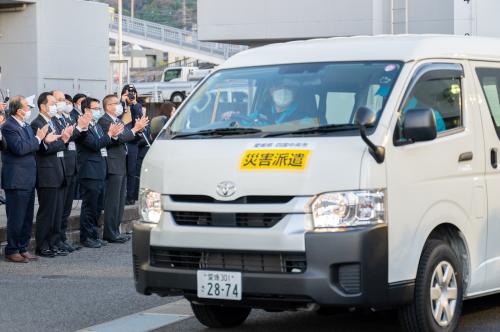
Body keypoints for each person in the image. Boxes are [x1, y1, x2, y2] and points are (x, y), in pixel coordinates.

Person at [1, 96, 57, 262]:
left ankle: (22, 247)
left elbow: (32, 146)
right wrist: (39, 139)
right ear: (18, 110)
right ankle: (12, 249)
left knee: (26, 216)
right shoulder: (8, 127)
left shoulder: (24, 125)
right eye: (26, 107)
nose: (29, 110)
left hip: (28, 178)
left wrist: (44, 141)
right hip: (17, 179)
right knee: (16, 217)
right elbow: (20, 148)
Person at [99, 95, 148, 243]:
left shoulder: (117, 120)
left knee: (120, 201)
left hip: (121, 163)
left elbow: (128, 136)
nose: (120, 106)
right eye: (116, 103)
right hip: (113, 165)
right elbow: (120, 137)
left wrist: (138, 131)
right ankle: (110, 233)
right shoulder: (104, 121)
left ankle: (116, 230)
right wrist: (134, 129)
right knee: (113, 202)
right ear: (108, 107)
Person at [75, 97, 123, 248]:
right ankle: (86, 237)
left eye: (98, 109)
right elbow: (95, 144)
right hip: (89, 171)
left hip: (100, 169)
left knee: (97, 207)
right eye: (95, 109)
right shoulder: (83, 127)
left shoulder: (95, 125)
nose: (97, 111)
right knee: (89, 206)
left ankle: (94, 234)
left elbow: (105, 142)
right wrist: (109, 135)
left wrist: (112, 135)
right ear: (87, 110)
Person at [31, 92, 73, 257]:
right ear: (43, 106)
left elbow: (56, 144)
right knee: (47, 212)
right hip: (47, 174)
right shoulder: (37, 123)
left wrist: (63, 140)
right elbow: (43, 148)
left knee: (57, 212)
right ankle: (43, 245)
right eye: (53, 103)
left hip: (59, 171)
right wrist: (62, 142)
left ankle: (54, 243)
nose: (56, 106)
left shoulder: (54, 121)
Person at [52, 90, 90, 252]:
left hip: (72, 165)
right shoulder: (54, 120)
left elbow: (76, 138)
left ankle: (62, 238)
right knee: (59, 208)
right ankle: (56, 239)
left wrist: (82, 127)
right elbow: (65, 138)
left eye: (65, 101)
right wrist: (79, 128)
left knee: (67, 207)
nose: (64, 103)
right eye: (60, 101)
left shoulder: (67, 118)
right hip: (61, 167)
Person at [120, 84, 143, 205]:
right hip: (120, 142)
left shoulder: (138, 106)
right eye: (127, 93)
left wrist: (133, 103)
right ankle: (120, 196)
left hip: (133, 143)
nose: (130, 96)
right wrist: (122, 102)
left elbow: (139, 118)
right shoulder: (118, 106)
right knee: (120, 171)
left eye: (133, 93)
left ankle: (130, 196)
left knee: (132, 171)